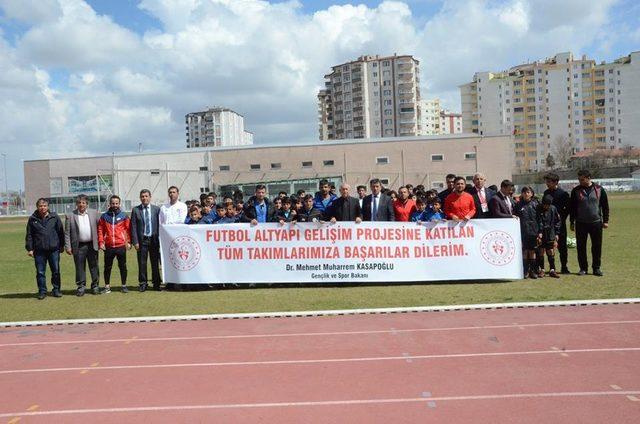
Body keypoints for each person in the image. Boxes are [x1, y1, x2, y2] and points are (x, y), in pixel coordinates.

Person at [569, 169, 610, 276]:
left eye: (582, 179)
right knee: (581, 246)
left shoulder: (599, 189)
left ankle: (596, 268)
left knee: (596, 246)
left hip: (596, 222)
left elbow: (605, 206)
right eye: (579, 179)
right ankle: (583, 268)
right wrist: (572, 222)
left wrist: (605, 221)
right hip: (581, 223)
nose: (580, 181)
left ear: (588, 178)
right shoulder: (576, 191)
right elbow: (572, 207)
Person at [25, 198, 65, 299]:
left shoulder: (54, 217)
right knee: (40, 272)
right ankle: (42, 291)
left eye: (44, 206)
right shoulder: (32, 219)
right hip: (39, 251)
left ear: (48, 207)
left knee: (55, 271)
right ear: (37, 207)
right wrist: (30, 249)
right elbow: (29, 235)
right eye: (40, 206)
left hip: (54, 249)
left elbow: (61, 232)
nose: (43, 208)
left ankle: (56, 290)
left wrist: (61, 246)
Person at [65, 194, 101, 296]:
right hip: (78, 246)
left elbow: (100, 228)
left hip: (92, 245)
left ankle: (95, 286)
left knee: (94, 266)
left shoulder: (95, 213)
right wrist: (68, 247)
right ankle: (81, 287)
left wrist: (101, 242)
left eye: (83, 203)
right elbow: (67, 233)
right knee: (80, 267)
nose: (81, 204)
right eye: (79, 203)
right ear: (76, 204)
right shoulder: (70, 215)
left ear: (87, 204)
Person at [98, 195, 131, 294]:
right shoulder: (104, 216)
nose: (115, 205)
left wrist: (128, 242)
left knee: (122, 266)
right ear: (110, 204)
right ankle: (107, 287)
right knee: (107, 267)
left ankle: (124, 286)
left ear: (119, 204)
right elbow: (100, 230)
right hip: (108, 246)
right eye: (113, 203)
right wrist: (101, 242)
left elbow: (128, 230)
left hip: (120, 245)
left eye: (116, 203)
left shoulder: (124, 216)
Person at [130, 190, 161, 292]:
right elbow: (133, 227)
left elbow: (160, 225)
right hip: (142, 241)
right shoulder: (135, 210)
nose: (144, 198)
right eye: (142, 196)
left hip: (154, 240)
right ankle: (143, 283)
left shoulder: (156, 209)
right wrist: (135, 242)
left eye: (146, 196)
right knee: (142, 263)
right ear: (140, 198)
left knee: (155, 263)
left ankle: (156, 283)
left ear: (150, 197)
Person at [543, 173, 571, 274]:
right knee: (549, 246)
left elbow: (568, 209)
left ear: (555, 182)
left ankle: (564, 266)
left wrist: (561, 218)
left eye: (549, 181)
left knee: (562, 246)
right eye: (546, 181)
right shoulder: (546, 193)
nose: (547, 183)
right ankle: (552, 267)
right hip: (548, 225)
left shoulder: (563, 194)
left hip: (560, 224)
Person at [515, 186, 539, 279]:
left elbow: (539, 219)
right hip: (523, 232)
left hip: (533, 232)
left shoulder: (536, 204)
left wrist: (539, 231)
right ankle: (525, 271)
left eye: (528, 192)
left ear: (532, 194)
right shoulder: (518, 205)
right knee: (524, 251)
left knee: (532, 251)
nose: (526, 194)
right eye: (524, 192)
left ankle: (533, 271)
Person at [537, 195, 561, 278]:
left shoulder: (553, 208)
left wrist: (557, 233)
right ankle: (542, 270)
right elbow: (538, 220)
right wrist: (539, 232)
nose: (546, 206)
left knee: (550, 251)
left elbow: (557, 221)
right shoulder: (538, 208)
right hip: (541, 234)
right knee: (541, 251)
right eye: (544, 204)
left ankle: (552, 270)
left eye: (547, 205)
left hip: (550, 233)